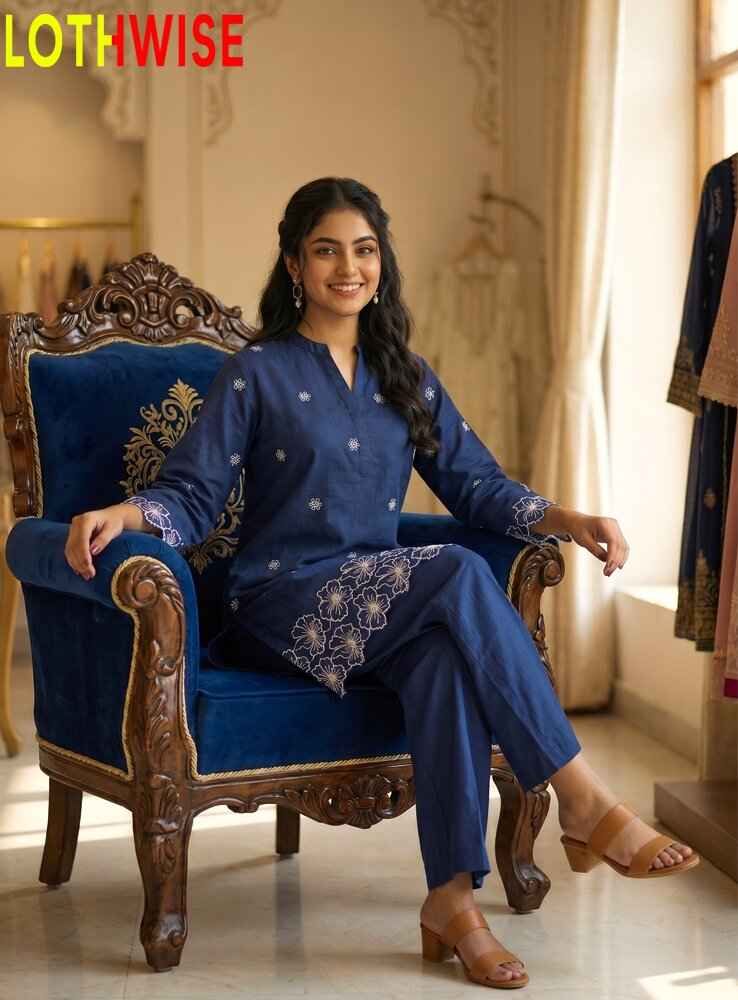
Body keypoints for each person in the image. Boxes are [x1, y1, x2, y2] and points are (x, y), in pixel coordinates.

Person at [65, 178, 699, 989]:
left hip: (377, 601)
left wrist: (566, 519)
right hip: (277, 604)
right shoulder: (256, 372)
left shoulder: (406, 376)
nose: (348, 267)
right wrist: (125, 513)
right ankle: (582, 800)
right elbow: (192, 495)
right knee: (461, 573)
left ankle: (450, 902)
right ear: (295, 263)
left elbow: (477, 487)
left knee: (441, 659)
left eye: (364, 250)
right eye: (327, 249)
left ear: (381, 264)